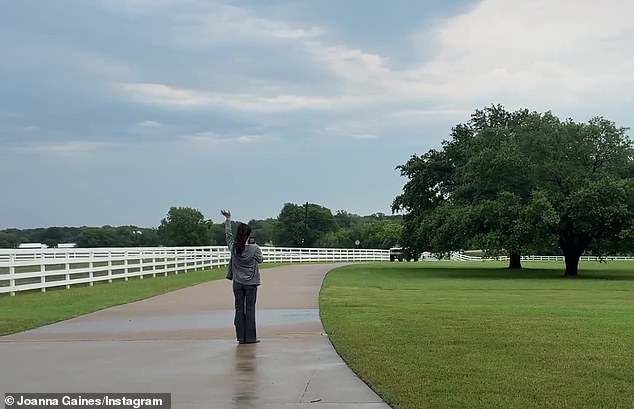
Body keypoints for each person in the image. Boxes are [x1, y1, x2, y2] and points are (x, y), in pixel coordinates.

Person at [221, 209, 263, 344]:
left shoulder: (234, 248)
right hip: (251, 283)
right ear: (248, 235)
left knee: (239, 309)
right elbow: (261, 259)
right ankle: (251, 337)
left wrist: (228, 220)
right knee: (250, 310)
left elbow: (228, 235)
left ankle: (240, 337)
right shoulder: (254, 248)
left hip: (237, 282)